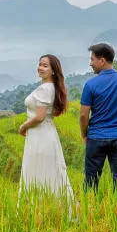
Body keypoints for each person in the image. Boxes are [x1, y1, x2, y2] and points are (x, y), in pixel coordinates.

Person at [79, 43, 117, 192]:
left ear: (102, 60)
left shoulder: (90, 84)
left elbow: (83, 115)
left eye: (92, 59)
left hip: (96, 137)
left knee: (91, 181)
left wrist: (84, 135)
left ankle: (90, 211)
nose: (90, 63)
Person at [18, 54, 74, 203]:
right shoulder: (51, 87)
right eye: (40, 64)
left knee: (38, 172)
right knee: (48, 172)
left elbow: (40, 116)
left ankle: (38, 208)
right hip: (44, 133)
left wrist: (23, 126)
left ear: (53, 71)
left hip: (40, 134)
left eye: (45, 65)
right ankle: (49, 208)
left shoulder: (45, 89)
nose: (40, 68)